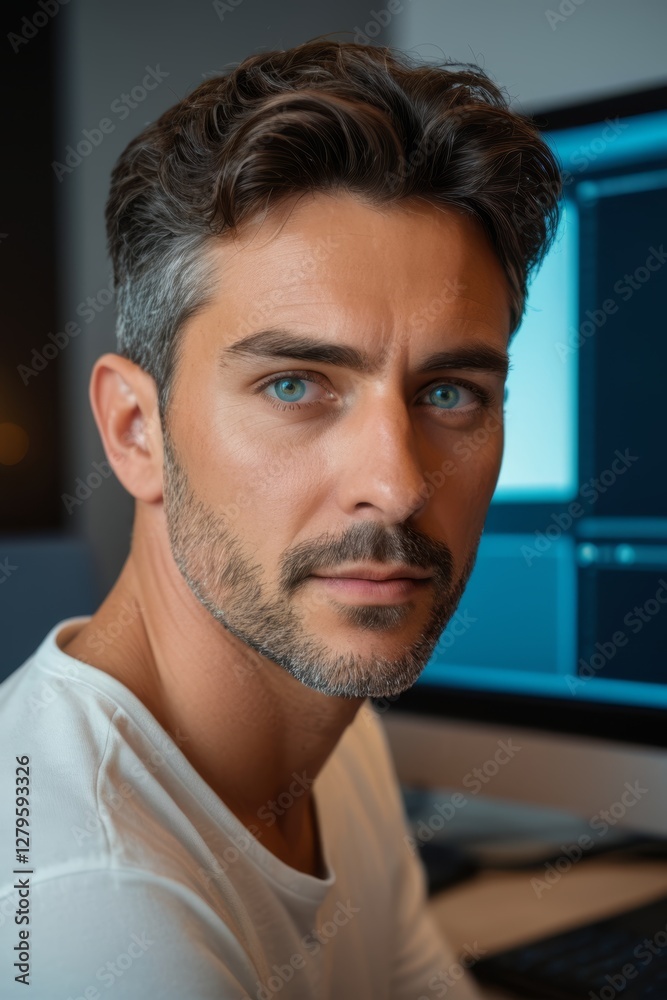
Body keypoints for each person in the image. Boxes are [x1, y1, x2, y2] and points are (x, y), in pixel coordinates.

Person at [0, 38, 562, 999]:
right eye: (295, 383)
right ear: (136, 432)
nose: (395, 486)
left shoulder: (329, 732)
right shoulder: (97, 918)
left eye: (451, 393)